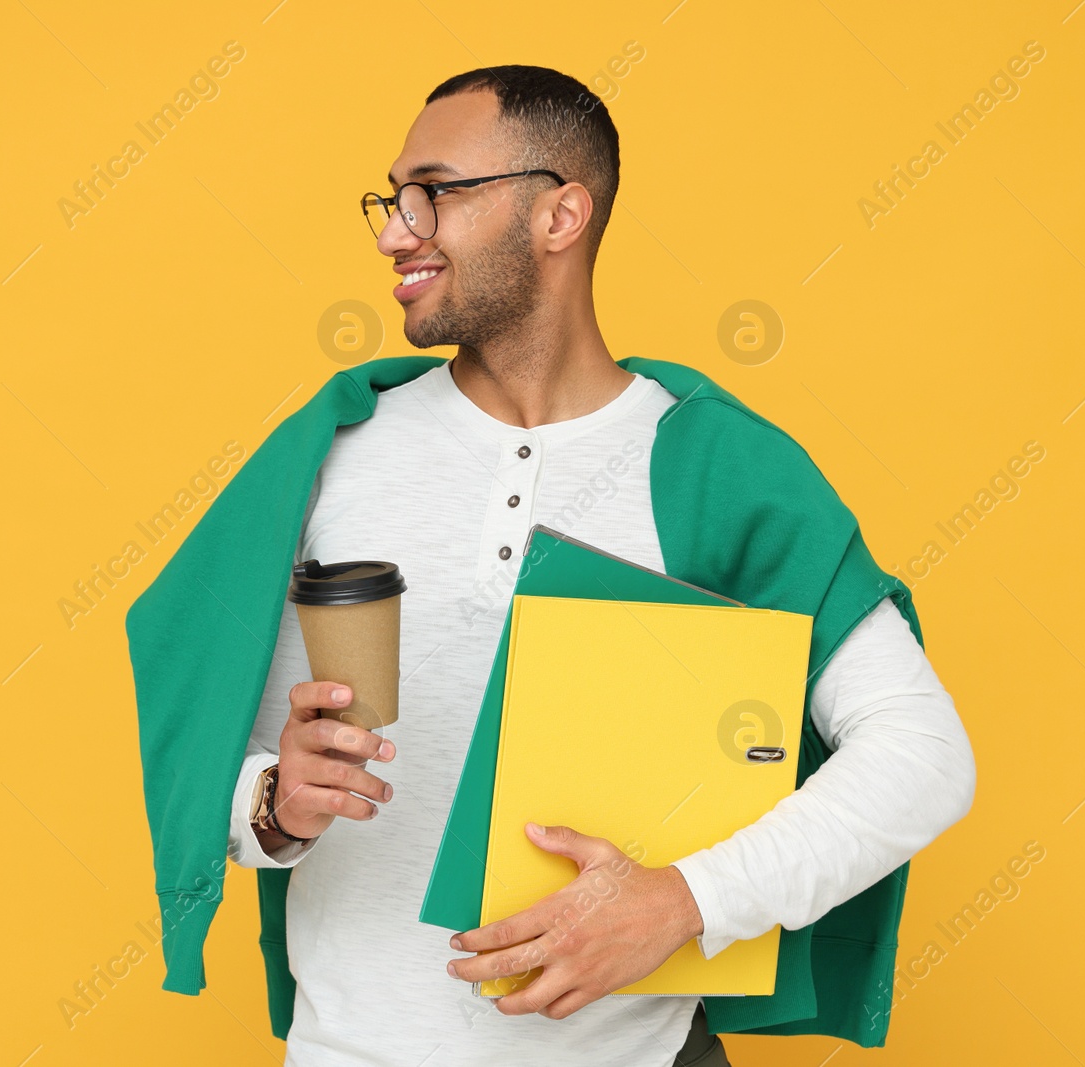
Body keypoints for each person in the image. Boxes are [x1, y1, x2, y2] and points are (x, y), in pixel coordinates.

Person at [223, 65, 977, 1066]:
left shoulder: (716, 469)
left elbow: (922, 754)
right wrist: (273, 806)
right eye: (390, 199)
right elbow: (228, 769)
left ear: (559, 214)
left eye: (433, 194)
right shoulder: (332, 456)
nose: (393, 232)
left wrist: (688, 901)